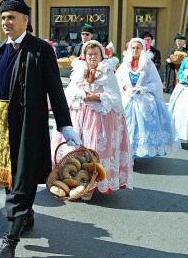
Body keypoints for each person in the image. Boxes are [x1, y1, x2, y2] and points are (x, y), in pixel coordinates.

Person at [0, 0, 81, 258]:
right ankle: (24, 216)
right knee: (6, 175)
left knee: (22, 176)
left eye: (11, 17)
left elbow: (55, 90)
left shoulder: (41, 49)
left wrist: (65, 124)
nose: (6, 22)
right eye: (3, 17)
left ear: (25, 20)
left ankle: (10, 240)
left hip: (26, 124)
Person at [51, 40, 133, 200]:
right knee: (75, 150)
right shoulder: (78, 71)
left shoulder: (108, 73)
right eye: (90, 54)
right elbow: (69, 93)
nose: (93, 57)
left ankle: (90, 185)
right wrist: (80, 95)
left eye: (96, 54)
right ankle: (74, 183)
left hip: (98, 119)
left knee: (94, 150)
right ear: (85, 55)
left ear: (102, 56)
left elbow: (116, 98)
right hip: (79, 115)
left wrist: (99, 96)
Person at [116, 38, 180, 159]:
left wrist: (143, 88)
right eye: (133, 48)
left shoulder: (148, 64)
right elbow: (117, 80)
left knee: (141, 128)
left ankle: (135, 152)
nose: (135, 50)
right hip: (127, 98)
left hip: (142, 99)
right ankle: (128, 153)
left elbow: (156, 83)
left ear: (142, 49)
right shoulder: (125, 64)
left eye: (138, 48)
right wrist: (125, 87)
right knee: (126, 126)